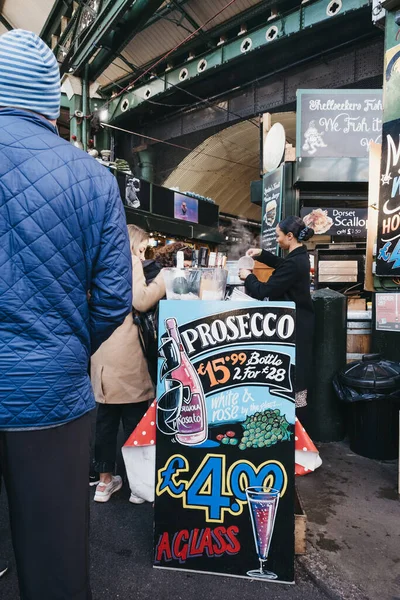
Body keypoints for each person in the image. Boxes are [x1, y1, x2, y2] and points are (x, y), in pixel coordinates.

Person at [0, 30, 132, 600]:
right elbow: (112, 300)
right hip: (53, 394)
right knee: (54, 565)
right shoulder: (94, 179)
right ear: (52, 103)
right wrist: (68, 346)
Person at [91, 225, 166, 504]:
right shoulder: (131, 260)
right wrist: (163, 281)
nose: (144, 251)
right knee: (135, 419)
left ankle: (104, 481)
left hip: (102, 351)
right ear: (136, 244)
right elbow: (140, 300)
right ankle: (139, 485)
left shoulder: (98, 260)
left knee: (106, 420)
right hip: (127, 350)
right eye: (143, 246)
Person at [239, 216, 314, 419]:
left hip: (296, 328)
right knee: (294, 377)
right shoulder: (298, 256)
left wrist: (249, 277)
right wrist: (261, 254)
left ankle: (297, 430)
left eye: (279, 236)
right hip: (298, 324)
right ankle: (295, 429)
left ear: (290, 236)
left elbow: (266, 290)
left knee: (294, 381)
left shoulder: (295, 262)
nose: (277, 239)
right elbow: (283, 265)